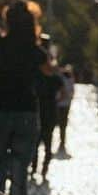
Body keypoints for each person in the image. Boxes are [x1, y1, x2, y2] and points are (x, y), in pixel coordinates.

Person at [0, 0, 47, 195]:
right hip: (26, 109)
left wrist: (3, 2)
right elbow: (48, 71)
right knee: (20, 172)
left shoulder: (0, 43)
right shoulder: (36, 51)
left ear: (7, 20)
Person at [32, 51, 64, 183]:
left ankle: (42, 169)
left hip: (46, 115)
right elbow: (64, 92)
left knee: (44, 145)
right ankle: (36, 168)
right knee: (38, 145)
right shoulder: (42, 76)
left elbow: (64, 92)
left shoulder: (53, 78)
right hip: (41, 114)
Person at [55, 64, 76, 154]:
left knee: (62, 124)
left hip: (63, 104)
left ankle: (62, 141)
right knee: (62, 124)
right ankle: (62, 140)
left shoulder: (68, 79)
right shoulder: (64, 79)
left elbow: (71, 92)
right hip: (61, 104)